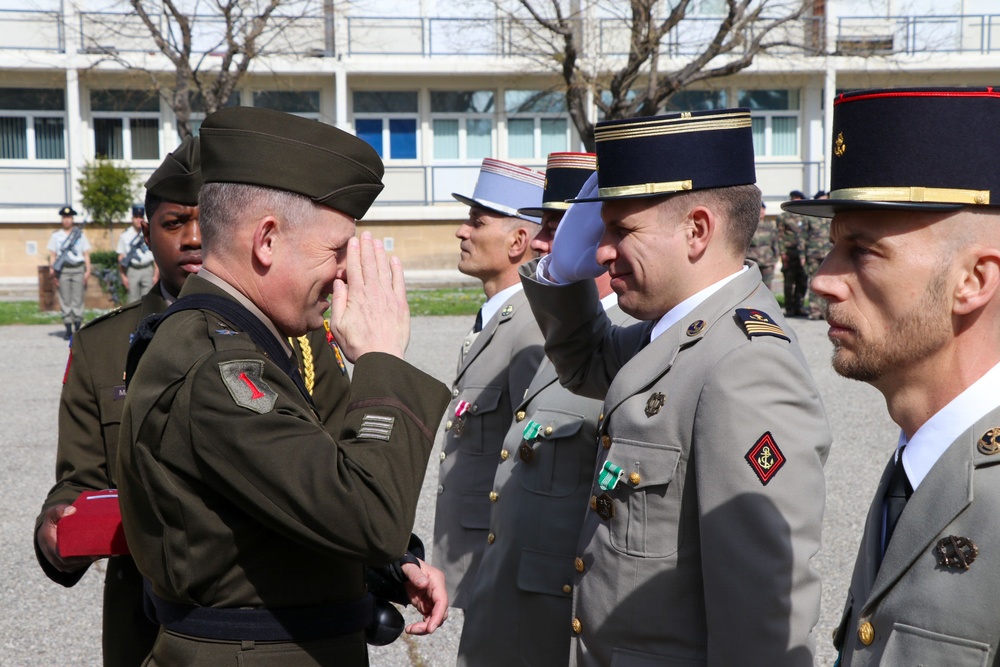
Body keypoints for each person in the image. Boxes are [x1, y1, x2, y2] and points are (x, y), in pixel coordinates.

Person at [116, 107, 450, 665]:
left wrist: (385, 566)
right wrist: (381, 359)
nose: (345, 271)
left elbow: (283, 512)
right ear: (266, 240)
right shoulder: (219, 369)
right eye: (336, 249)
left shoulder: (236, 343)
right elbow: (366, 515)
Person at [520, 108, 832, 666]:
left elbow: (760, 617)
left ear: (696, 230)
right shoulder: (668, 334)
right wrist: (560, 272)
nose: (601, 251)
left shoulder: (743, 366)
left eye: (621, 230)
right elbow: (584, 361)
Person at [789, 86, 1000, 666]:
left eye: (861, 251)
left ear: (973, 282)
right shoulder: (920, 457)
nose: (824, 281)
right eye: (832, 249)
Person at [34, 137, 204, 666]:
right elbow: (79, 479)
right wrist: (54, 527)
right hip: (149, 624)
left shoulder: (296, 337)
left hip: (271, 620)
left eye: (208, 221)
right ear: (147, 233)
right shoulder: (102, 346)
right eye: (174, 223)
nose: (194, 238)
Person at [458, 166, 636, 667]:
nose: (540, 244)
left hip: (558, 615)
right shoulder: (558, 331)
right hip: (507, 598)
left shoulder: (631, 349)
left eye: (559, 230)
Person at [433, 157, 547, 609]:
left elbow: (532, 460)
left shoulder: (532, 326)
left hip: (502, 560)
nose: (462, 231)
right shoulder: (502, 315)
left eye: (476, 221)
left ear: (519, 240)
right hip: (478, 552)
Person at [48, 205, 91, 339]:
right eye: (65, 217)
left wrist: (87, 270)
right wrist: (52, 270)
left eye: (69, 217)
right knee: (65, 298)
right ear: (62, 219)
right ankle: (68, 328)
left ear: (72, 219)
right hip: (63, 270)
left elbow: (86, 254)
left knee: (77, 298)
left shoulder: (79, 235)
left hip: (78, 269)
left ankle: (77, 328)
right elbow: (53, 254)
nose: (67, 220)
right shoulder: (56, 236)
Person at [117, 204, 158, 304]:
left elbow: (155, 256)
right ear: (132, 218)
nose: (138, 220)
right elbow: (121, 258)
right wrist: (123, 276)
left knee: (148, 300)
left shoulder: (149, 232)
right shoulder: (125, 235)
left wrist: (156, 275)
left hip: (147, 269)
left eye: (140, 217)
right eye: (136, 217)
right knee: (133, 301)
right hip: (132, 270)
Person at [801, 190, 832, 320]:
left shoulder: (830, 216)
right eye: (823, 199)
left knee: (828, 282)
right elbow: (803, 237)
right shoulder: (810, 217)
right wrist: (802, 255)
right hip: (813, 254)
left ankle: (825, 311)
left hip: (828, 254)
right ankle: (814, 310)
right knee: (814, 281)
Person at [779, 190, 807, 316]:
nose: (797, 201)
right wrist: (782, 253)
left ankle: (799, 306)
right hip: (789, 253)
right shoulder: (783, 217)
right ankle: (789, 308)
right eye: (794, 199)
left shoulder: (806, 217)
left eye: (799, 199)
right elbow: (779, 236)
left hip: (803, 254)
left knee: (802, 282)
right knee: (789, 283)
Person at [747, 200, 779, 290]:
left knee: (767, 288)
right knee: (751, 288)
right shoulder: (749, 226)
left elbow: (775, 243)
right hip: (752, 261)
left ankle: (767, 304)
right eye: (759, 209)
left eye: (763, 209)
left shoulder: (770, 225)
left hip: (767, 262)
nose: (761, 211)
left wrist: (775, 259)